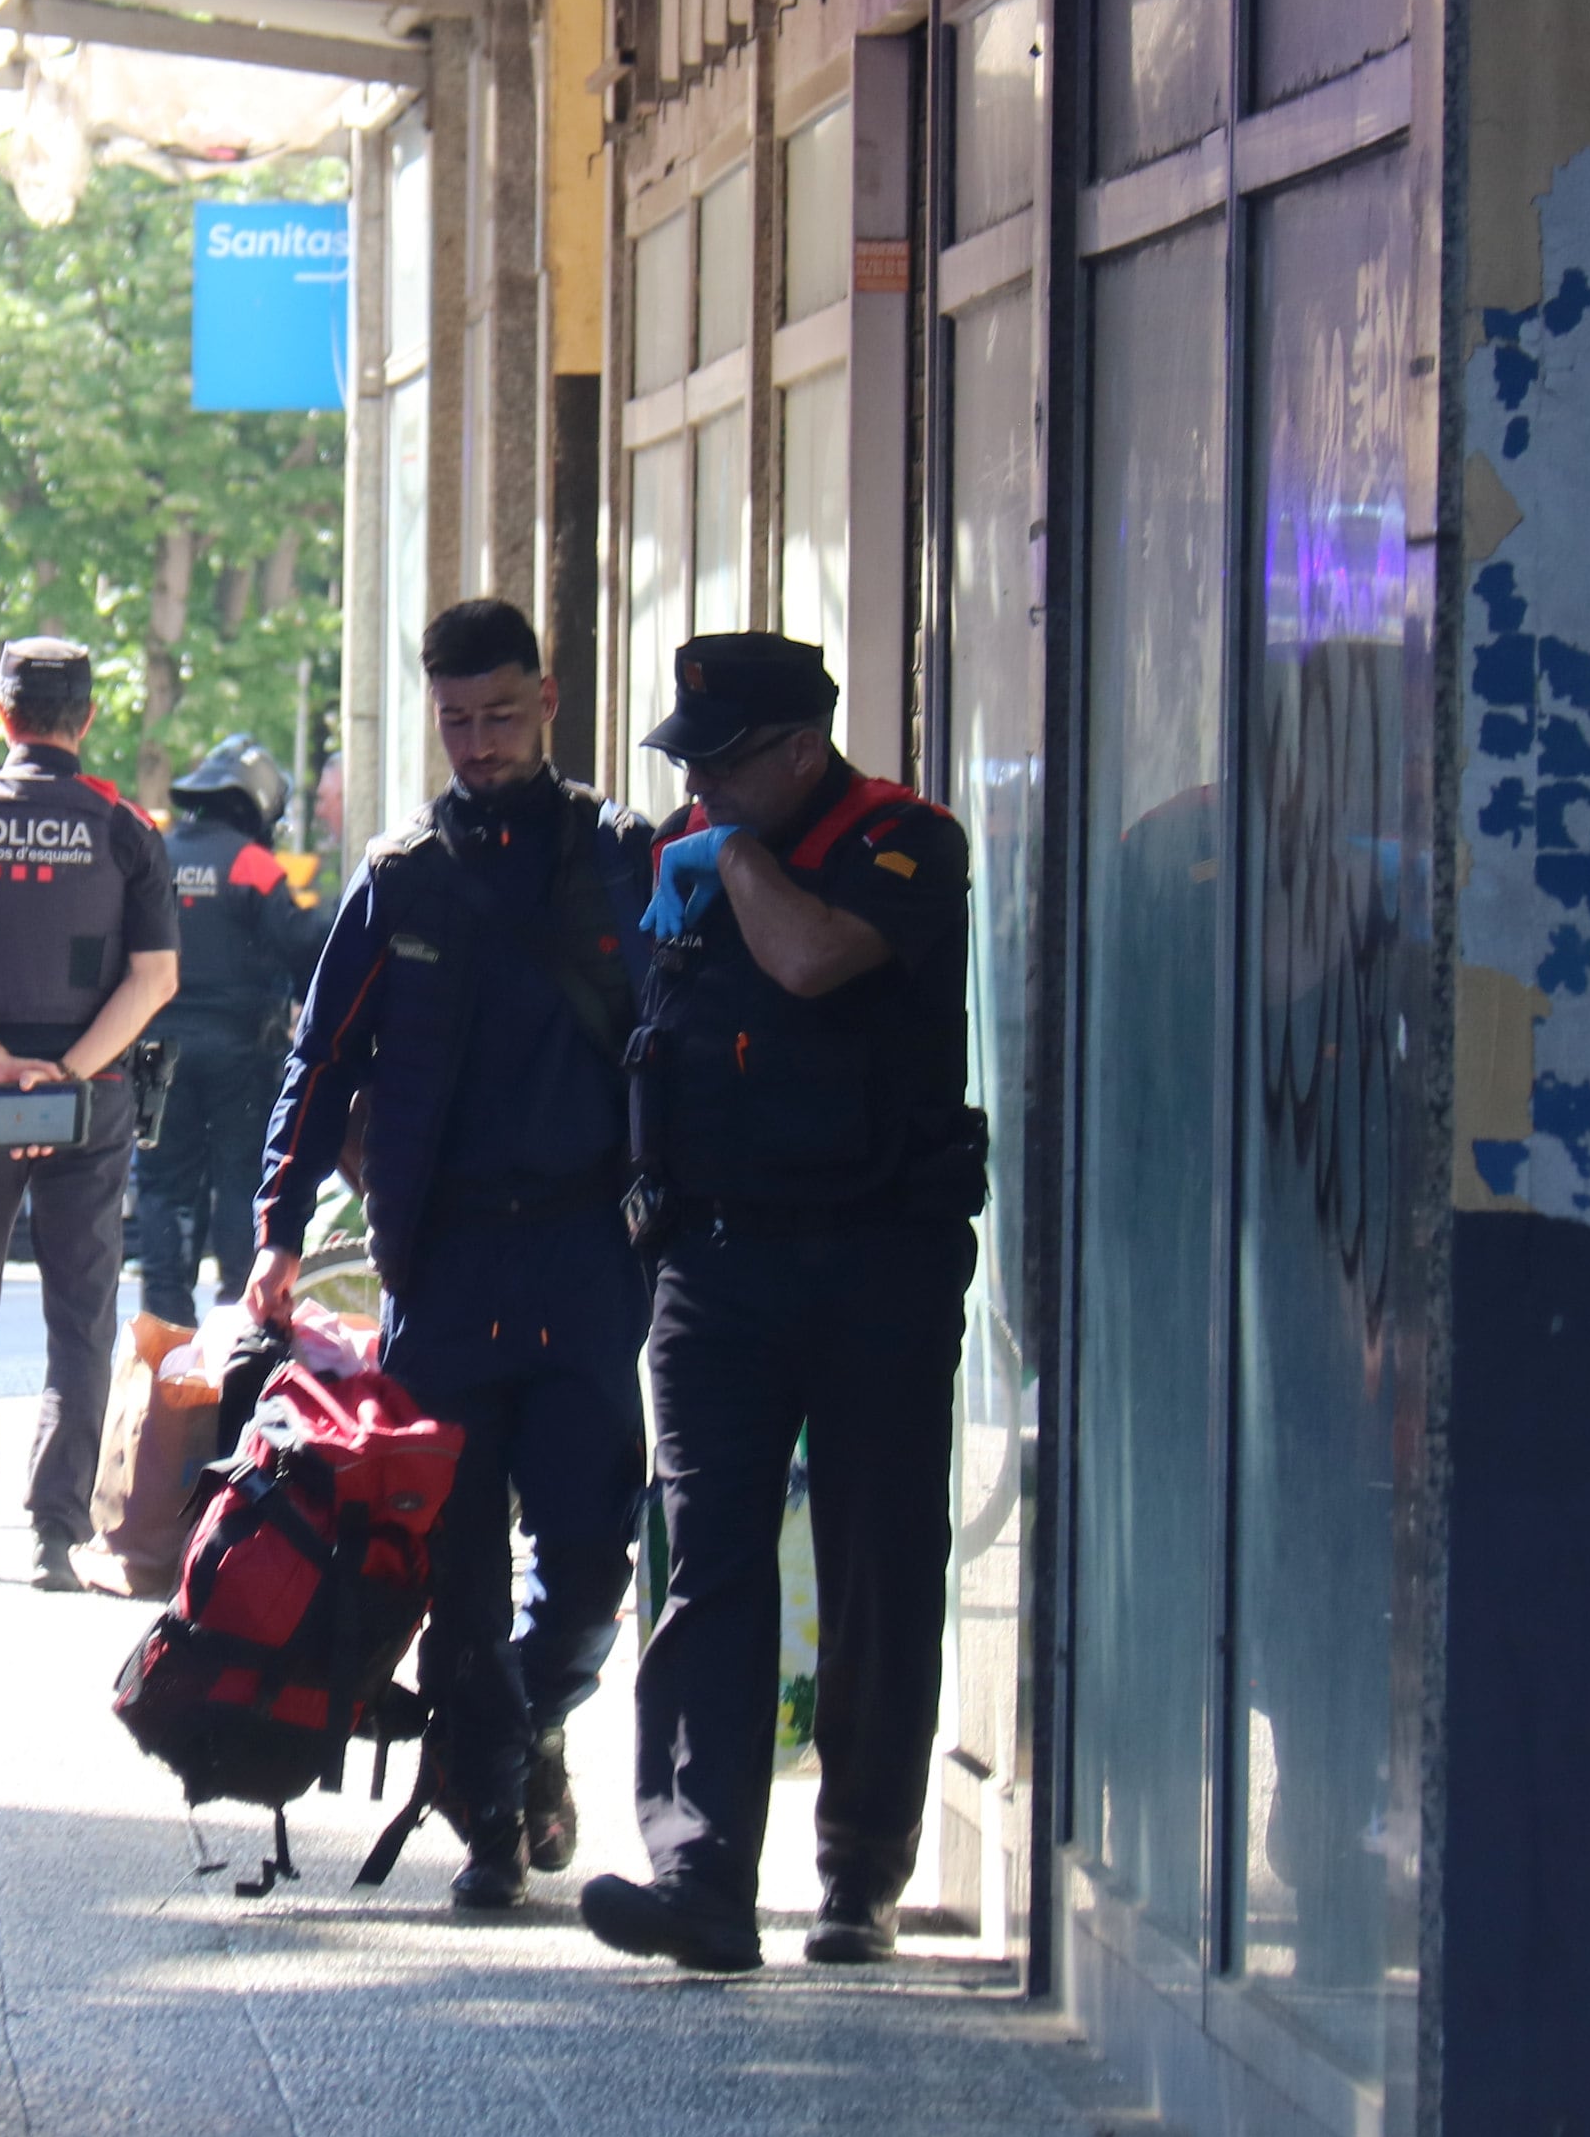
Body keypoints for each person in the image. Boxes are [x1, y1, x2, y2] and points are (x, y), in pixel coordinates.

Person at [584, 633, 984, 1976]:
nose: (696, 788)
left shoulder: (907, 843)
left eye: (723, 761)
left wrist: (737, 856)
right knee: (704, 1562)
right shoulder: (688, 859)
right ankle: (701, 1875)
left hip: (878, 1258)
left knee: (878, 1563)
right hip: (715, 1262)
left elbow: (816, 962)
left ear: (801, 749)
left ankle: (859, 1873)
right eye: (687, 763)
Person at [246, 599, 655, 1906]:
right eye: (456, 722)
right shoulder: (405, 876)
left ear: (547, 698)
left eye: (500, 715)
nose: (478, 744)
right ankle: (490, 1814)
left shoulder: (624, 858)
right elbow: (319, 1065)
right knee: (456, 1561)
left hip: (591, 1254)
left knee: (592, 1547)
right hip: (451, 1265)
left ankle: (530, 1719)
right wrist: (276, 1228)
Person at [0, 638, 182, 1587]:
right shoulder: (124, 827)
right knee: (81, 1312)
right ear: (86, 718)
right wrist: (65, 1069)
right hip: (90, 1100)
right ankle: (59, 1532)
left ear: (2, 712)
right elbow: (156, 977)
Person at [138, 736, 316, 1326]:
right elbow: (299, 944)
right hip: (239, 1051)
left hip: (153, 1050)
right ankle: (236, 1325)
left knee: (161, 1185)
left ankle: (163, 1326)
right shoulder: (252, 864)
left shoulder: (154, 853)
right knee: (240, 1179)